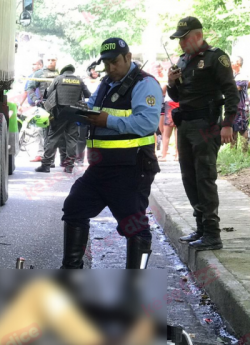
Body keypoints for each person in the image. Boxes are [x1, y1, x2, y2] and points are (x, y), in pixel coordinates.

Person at [60, 38, 163, 269]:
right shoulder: (107, 82)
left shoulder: (145, 84)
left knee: (136, 228)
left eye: (115, 62)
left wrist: (109, 120)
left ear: (128, 57)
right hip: (100, 168)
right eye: (106, 64)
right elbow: (94, 107)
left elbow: (147, 123)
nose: (110, 68)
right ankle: (71, 272)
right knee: (75, 206)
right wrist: (76, 114)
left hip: (132, 169)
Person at [166, 16, 238, 251]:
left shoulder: (216, 57)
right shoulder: (183, 60)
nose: (180, 44)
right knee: (189, 178)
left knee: (204, 178)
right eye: (179, 39)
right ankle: (201, 227)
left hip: (207, 126)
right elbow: (177, 98)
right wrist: (172, 82)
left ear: (197, 36)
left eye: (183, 38)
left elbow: (231, 93)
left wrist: (227, 123)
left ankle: (212, 234)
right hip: (186, 125)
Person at [36, 64, 91, 173]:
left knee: (53, 137)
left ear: (63, 71)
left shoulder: (59, 78)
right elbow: (88, 94)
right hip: (74, 112)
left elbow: (48, 93)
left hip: (59, 112)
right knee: (72, 139)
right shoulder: (79, 80)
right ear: (72, 71)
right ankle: (69, 166)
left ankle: (46, 164)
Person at [26, 55, 60, 162]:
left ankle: (51, 158)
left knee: (56, 133)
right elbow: (30, 88)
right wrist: (36, 100)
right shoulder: (39, 73)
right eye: (48, 60)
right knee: (43, 131)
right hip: (44, 107)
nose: (50, 62)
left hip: (59, 107)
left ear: (57, 61)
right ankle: (45, 156)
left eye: (53, 60)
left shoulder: (60, 73)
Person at [75, 67, 102, 168]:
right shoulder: (83, 81)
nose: (95, 72)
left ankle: (95, 160)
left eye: (97, 70)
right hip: (85, 111)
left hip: (98, 112)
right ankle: (79, 159)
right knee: (81, 137)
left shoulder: (103, 81)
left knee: (95, 137)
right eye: (93, 70)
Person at [231, 55, 250, 152]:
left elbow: (235, 89)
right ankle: (233, 153)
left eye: (232, 61)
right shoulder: (235, 75)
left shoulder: (242, 75)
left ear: (238, 63)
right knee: (233, 129)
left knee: (242, 129)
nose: (230, 63)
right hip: (236, 106)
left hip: (242, 107)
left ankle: (244, 153)